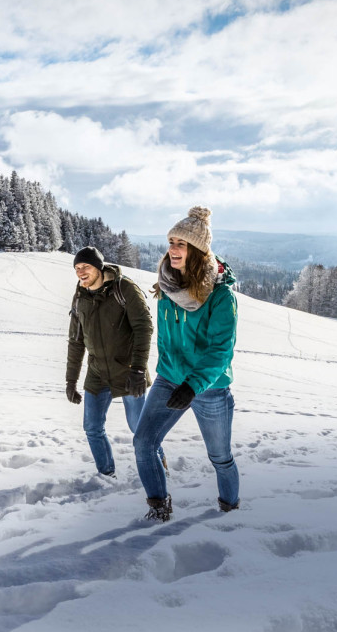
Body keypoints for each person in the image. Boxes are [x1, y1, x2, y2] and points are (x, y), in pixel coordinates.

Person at [133, 207, 240, 521]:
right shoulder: (167, 286)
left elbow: (221, 350)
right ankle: (159, 506)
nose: (172, 249)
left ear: (197, 251)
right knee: (143, 442)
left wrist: (193, 385)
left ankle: (229, 510)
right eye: (170, 241)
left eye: (181, 243)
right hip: (170, 378)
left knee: (220, 457)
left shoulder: (221, 297)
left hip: (209, 387)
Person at [66, 245, 158, 477]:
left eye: (85, 266)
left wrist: (138, 369)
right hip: (96, 372)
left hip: (128, 370)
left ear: (98, 267)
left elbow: (144, 327)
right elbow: (76, 342)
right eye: (77, 268)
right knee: (92, 428)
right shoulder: (80, 297)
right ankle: (106, 475)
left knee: (140, 430)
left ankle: (159, 464)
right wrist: (71, 381)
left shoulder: (124, 288)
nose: (80, 272)